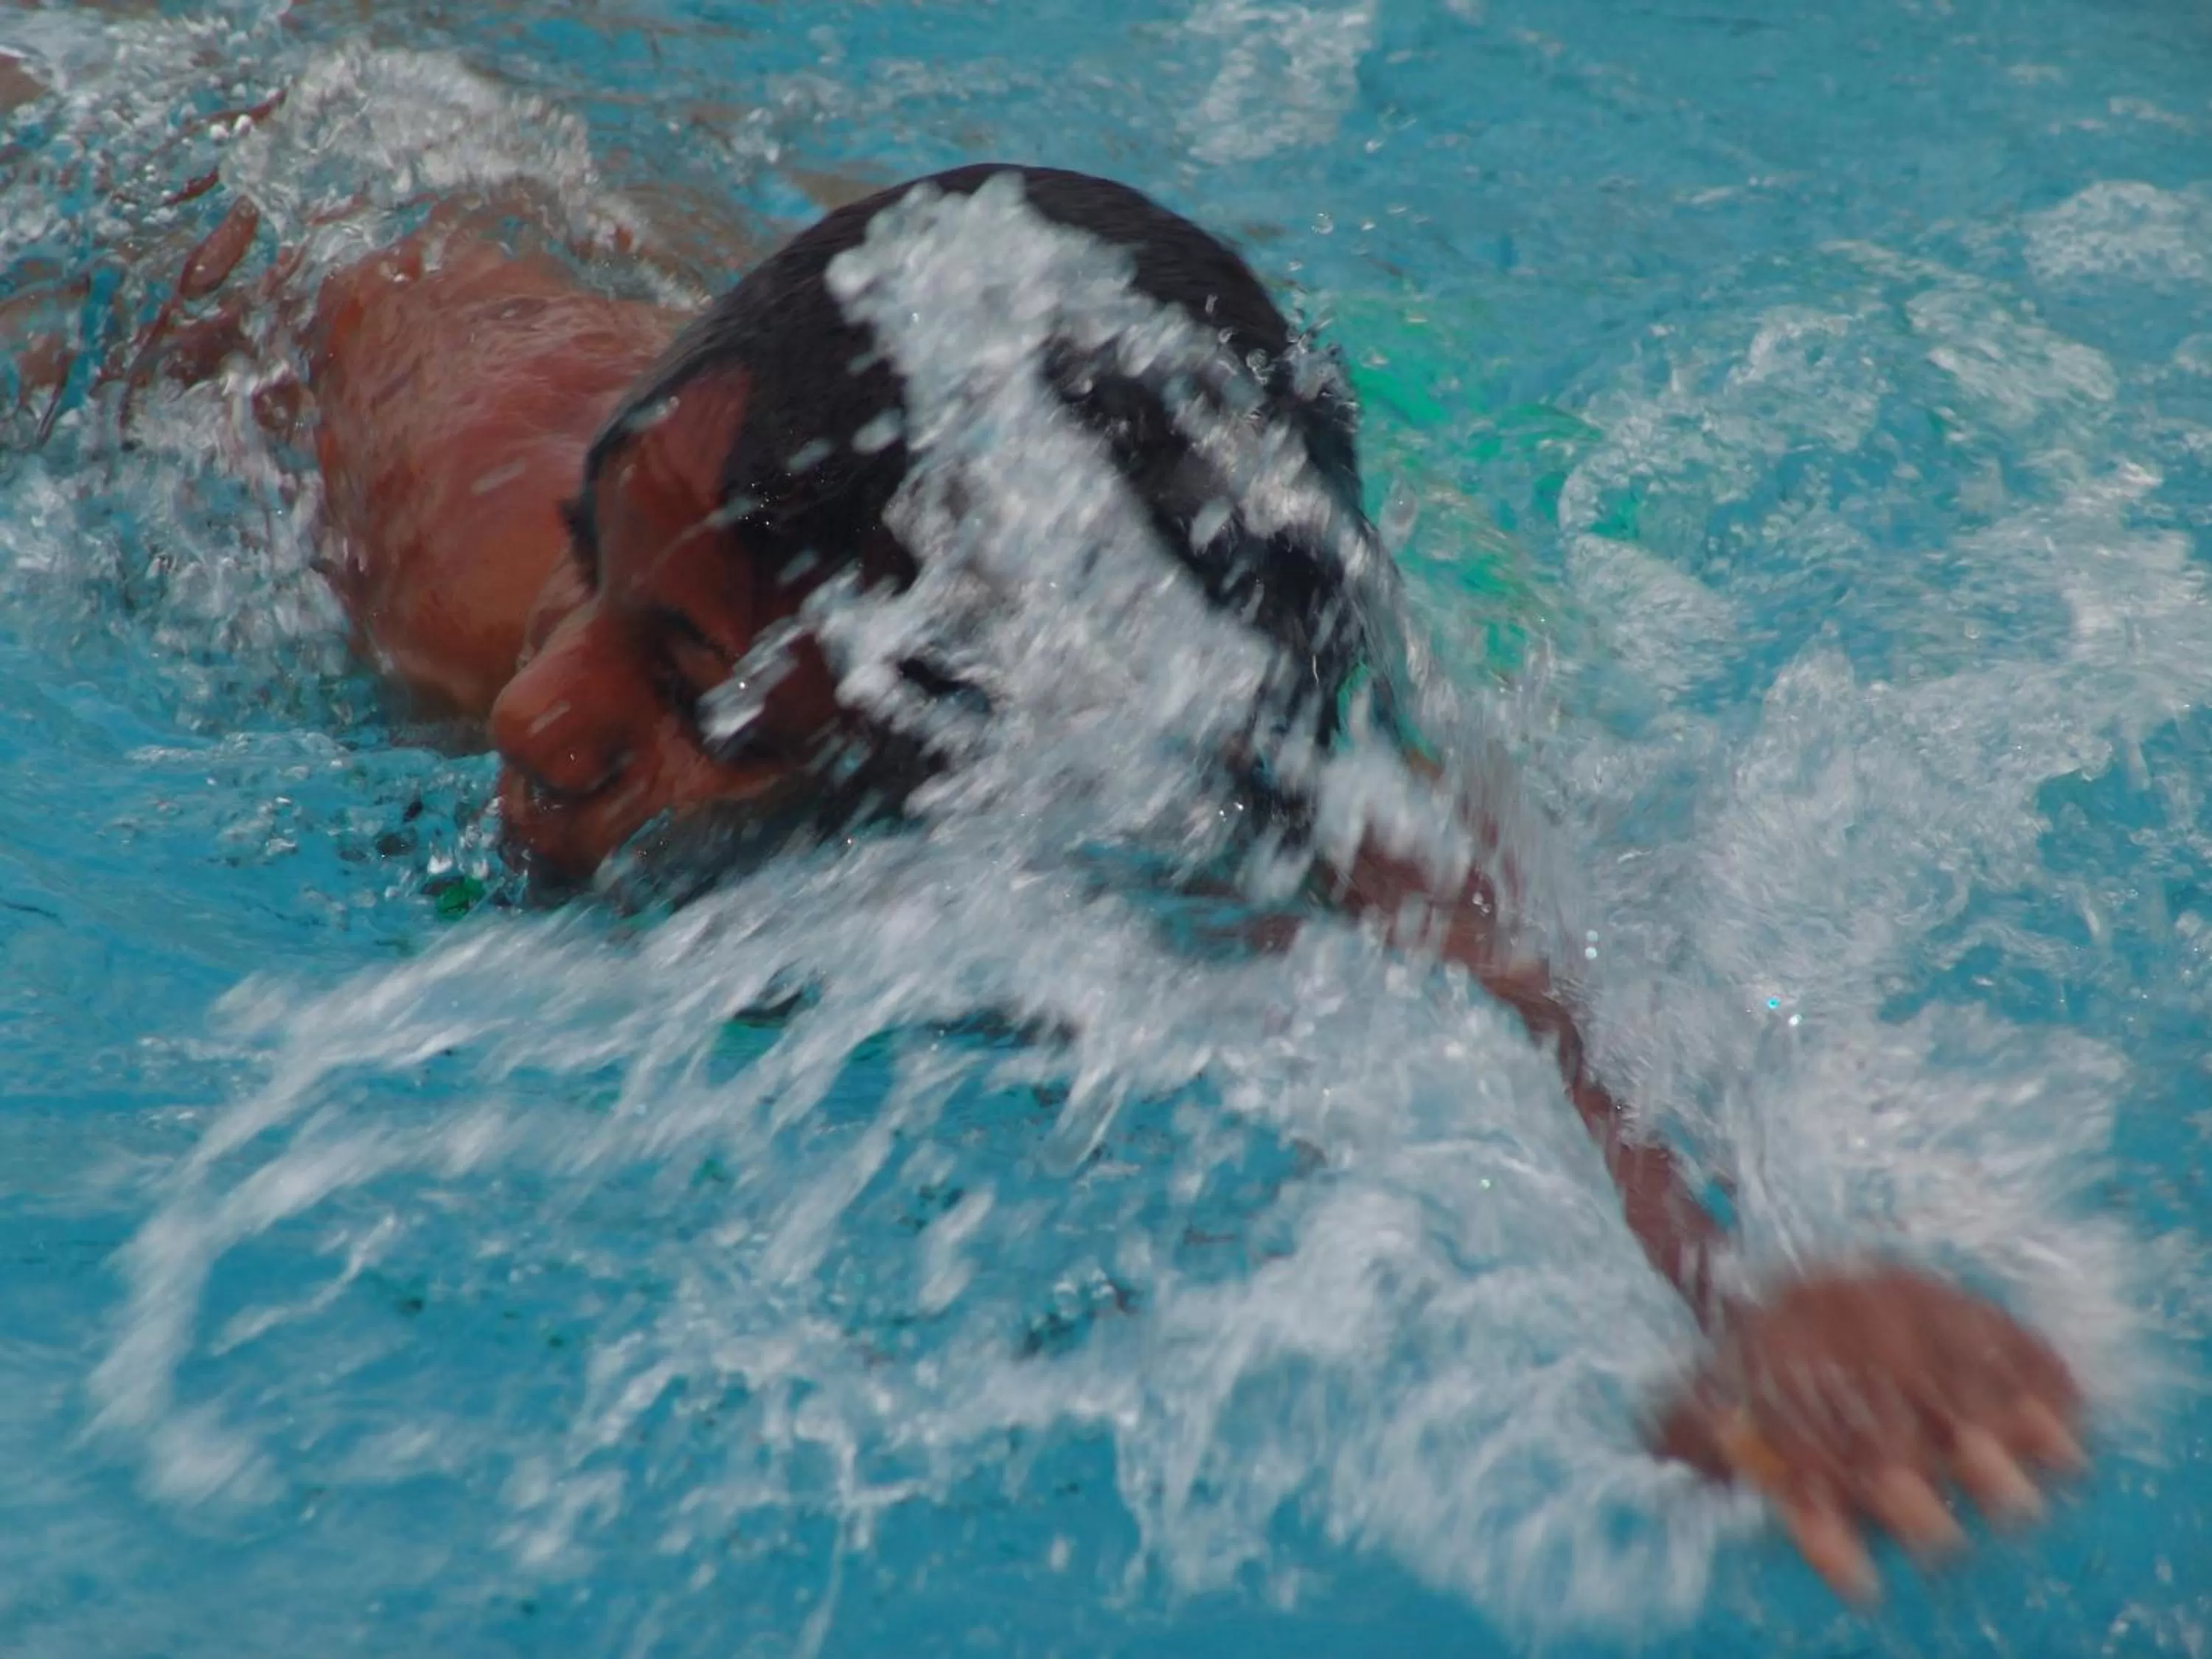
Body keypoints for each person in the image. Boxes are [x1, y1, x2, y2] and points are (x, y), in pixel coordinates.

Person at [65, 158, 2086, 1604]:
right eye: (609, 575)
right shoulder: (460, 563)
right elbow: (233, 249)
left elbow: (1484, 946)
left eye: (700, 693)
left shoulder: (1158, 774)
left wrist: (1751, 1305)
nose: (542, 721)